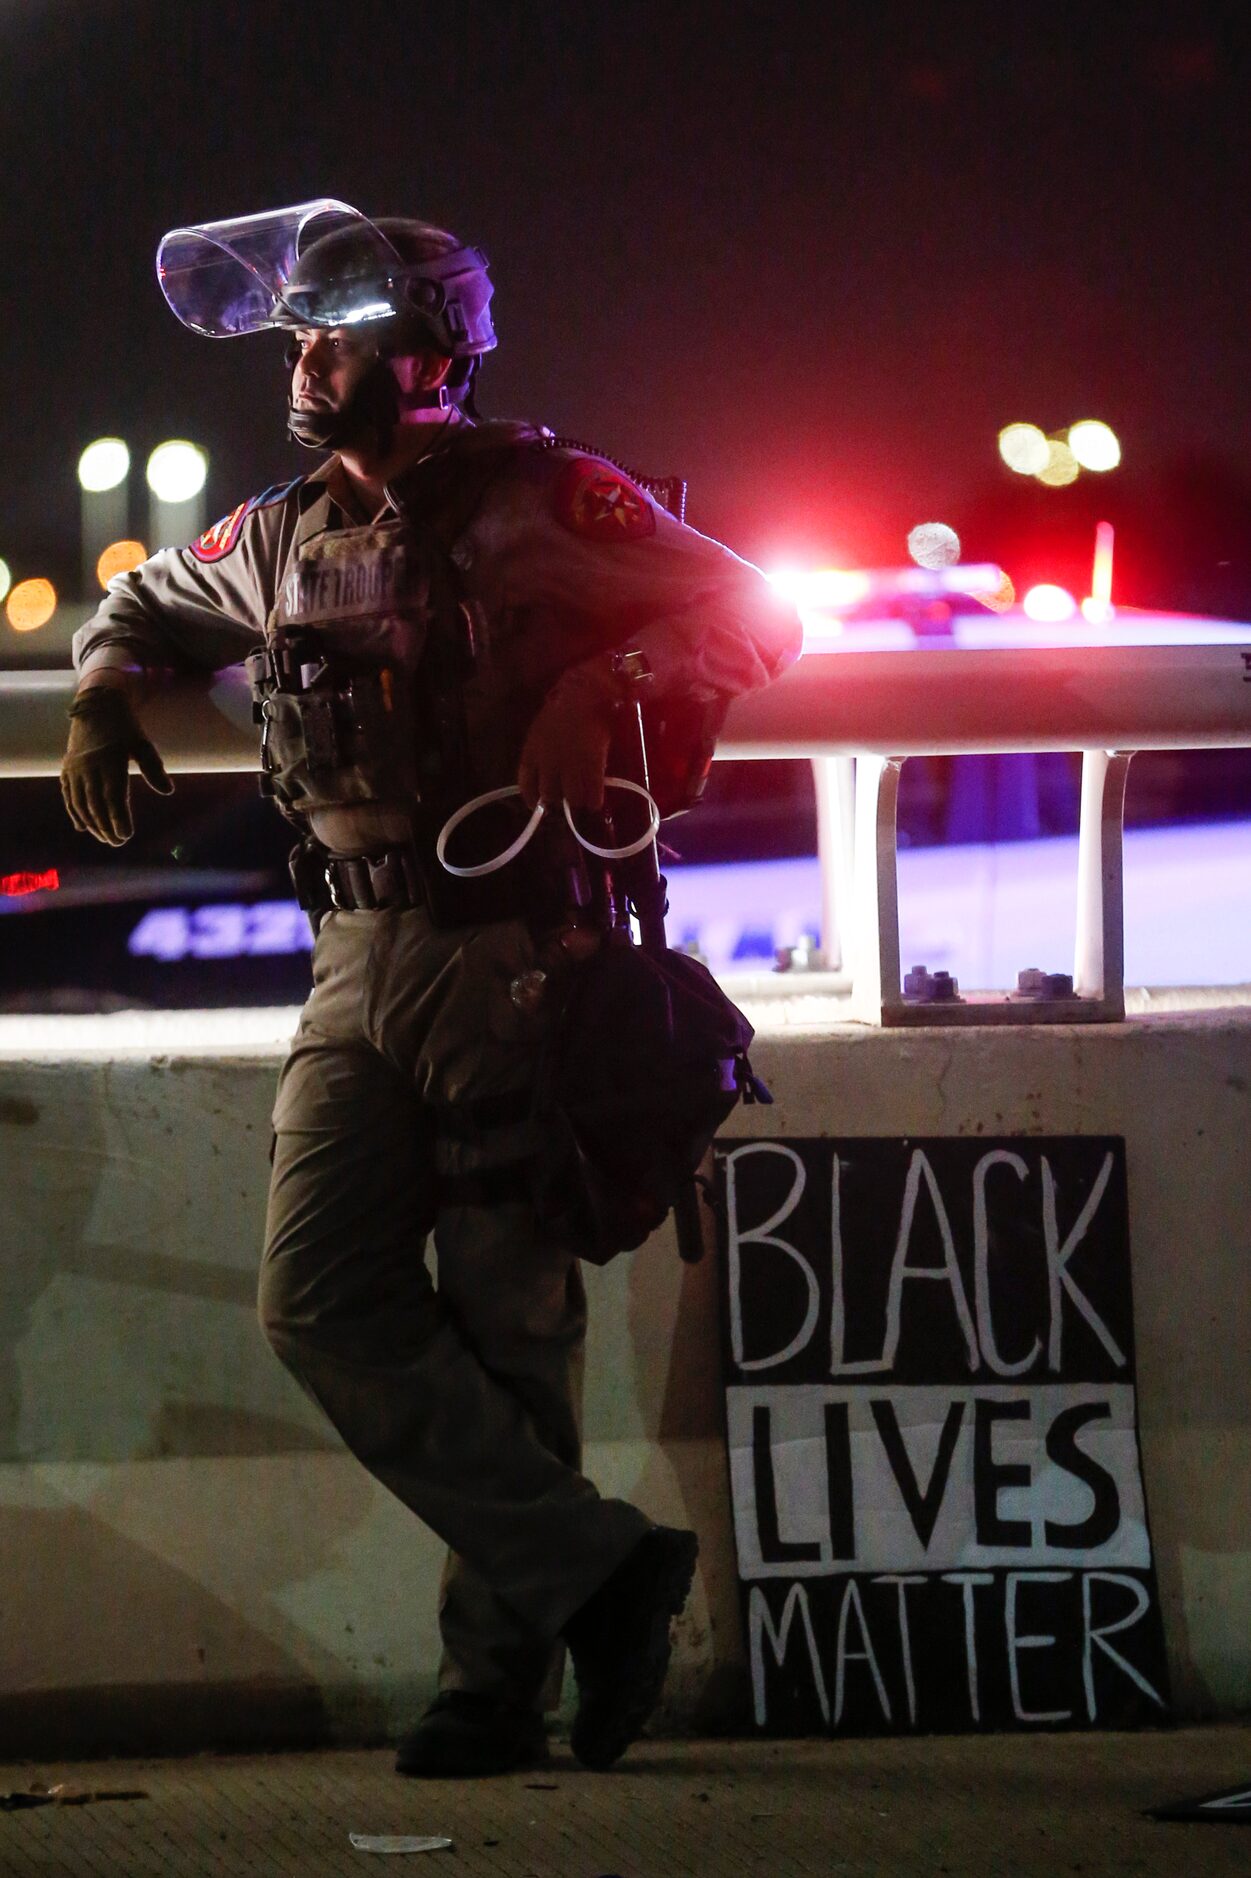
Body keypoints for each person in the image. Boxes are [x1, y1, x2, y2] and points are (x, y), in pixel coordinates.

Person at [60, 200, 801, 1776]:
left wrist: (612, 683)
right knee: (314, 1295)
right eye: (303, 333)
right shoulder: (278, 532)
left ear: (429, 362)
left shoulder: (547, 500)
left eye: (338, 336)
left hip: (517, 955)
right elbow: (138, 607)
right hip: (352, 960)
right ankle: (604, 1569)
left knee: (511, 1310)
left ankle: (495, 1685)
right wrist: (105, 694)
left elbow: (756, 605)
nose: (307, 361)